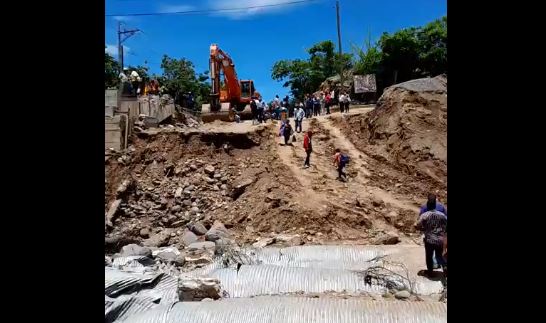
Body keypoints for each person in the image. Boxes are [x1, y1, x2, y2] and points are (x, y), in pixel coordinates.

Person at [415, 199, 447, 277]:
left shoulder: (424, 215)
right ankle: (445, 269)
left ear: (428, 205)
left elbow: (416, 225)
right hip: (440, 240)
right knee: (439, 256)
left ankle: (430, 272)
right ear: (435, 205)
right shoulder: (442, 215)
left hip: (429, 240)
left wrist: (423, 229)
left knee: (429, 256)